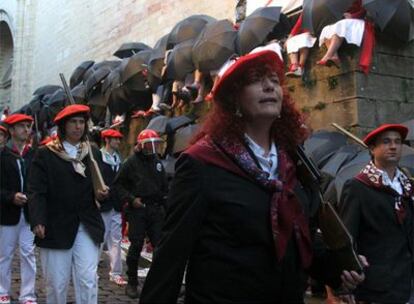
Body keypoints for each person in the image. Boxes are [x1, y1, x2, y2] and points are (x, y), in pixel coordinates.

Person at [139, 49, 366, 303]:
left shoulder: (294, 163)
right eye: (256, 80)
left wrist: (338, 271)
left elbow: (301, 239)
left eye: (274, 80)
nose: (269, 86)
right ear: (234, 98)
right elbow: (172, 253)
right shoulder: (201, 163)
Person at [28, 104, 107, 304]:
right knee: (57, 283)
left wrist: (103, 193)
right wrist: (38, 219)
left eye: (82, 122)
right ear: (63, 126)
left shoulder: (92, 152)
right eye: (73, 122)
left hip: (87, 224)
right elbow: (36, 191)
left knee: (88, 280)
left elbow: (101, 185)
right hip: (56, 226)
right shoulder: (45, 154)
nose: (78, 127)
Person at [339, 124, 413, 304]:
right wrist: (346, 285)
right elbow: (346, 238)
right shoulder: (357, 187)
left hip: (409, 283)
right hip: (377, 286)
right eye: (386, 142)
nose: (394, 146)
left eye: (398, 142)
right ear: (372, 148)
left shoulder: (408, 187)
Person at [114, 129, 168, 299]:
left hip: (155, 210)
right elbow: (118, 185)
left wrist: (166, 206)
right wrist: (131, 199)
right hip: (138, 209)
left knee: (160, 247)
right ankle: (132, 282)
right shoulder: (130, 163)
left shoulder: (157, 162)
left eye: (155, 144)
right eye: (149, 144)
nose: (152, 148)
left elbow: (164, 187)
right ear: (140, 145)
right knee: (136, 245)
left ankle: (161, 283)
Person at [0, 114, 37, 304]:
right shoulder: (3, 155)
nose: (26, 129)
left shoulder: (33, 155)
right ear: (12, 131)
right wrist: (11, 197)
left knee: (28, 254)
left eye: (28, 126)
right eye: (21, 126)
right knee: (5, 254)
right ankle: (2, 291)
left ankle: (28, 294)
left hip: (29, 214)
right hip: (8, 214)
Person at [97, 129, 127, 286]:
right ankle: (91, 270)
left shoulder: (118, 159)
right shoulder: (100, 157)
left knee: (116, 239)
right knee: (100, 238)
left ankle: (115, 272)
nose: (119, 142)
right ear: (107, 140)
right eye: (115, 139)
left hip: (116, 204)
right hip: (103, 204)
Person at [317, 0, 366, 67]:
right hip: (344, 19)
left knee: (340, 25)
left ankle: (328, 55)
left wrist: (352, 15)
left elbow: (364, 10)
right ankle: (334, 56)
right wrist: (341, 14)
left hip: (357, 20)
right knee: (326, 28)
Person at [285, 13, 317, 77]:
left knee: (304, 39)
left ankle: (301, 67)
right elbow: (298, 25)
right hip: (304, 33)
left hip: (313, 33)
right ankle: (294, 65)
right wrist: (289, 38)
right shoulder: (306, 12)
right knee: (291, 41)